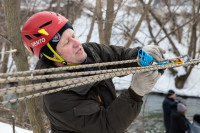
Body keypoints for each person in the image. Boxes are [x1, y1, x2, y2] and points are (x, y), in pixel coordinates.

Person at [22, 11, 165, 133]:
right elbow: (106, 126)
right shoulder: (56, 96)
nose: (77, 43)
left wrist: (141, 56)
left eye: (74, 35)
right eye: (66, 42)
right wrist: (135, 94)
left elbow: (118, 57)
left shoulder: (91, 53)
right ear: (52, 55)